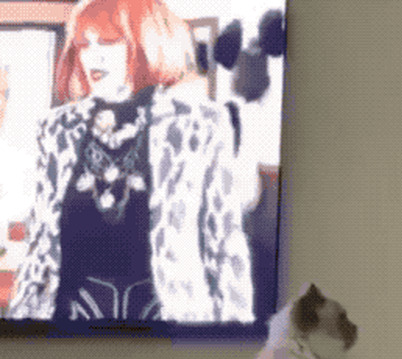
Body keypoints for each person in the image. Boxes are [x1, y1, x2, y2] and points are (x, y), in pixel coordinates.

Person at [8, 0, 254, 323]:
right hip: (68, 327)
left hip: (171, 331)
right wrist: (20, 331)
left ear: (144, 43)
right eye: (84, 45)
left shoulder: (200, 123)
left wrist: (231, 341)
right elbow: (39, 249)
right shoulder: (56, 129)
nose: (92, 57)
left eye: (108, 43)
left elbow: (224, 245)